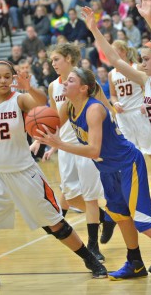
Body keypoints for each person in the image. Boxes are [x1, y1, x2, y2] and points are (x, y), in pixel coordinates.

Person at [34, 64, 151, 294]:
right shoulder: (68, 106)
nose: (65, 83)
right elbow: (50, 125)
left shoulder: (94, 109)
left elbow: (93, 150)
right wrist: (38, 138)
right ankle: (135, 263)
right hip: (107, 169)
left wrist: (59, 145)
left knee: (144, 223)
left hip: (126, 165)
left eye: (70, 80)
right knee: (121, 217)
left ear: (83, 88)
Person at [81, 0, 151, 291]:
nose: (142, 62)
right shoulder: (147, 83)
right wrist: (94, 30)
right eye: (142, 59)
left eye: (147, 58)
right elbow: (115, 60)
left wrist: (150, 20)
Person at [0, 60, 107, 282]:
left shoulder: (18, 99)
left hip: (23, 171)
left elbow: (40, 104)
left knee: (54, 221)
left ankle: (89, 258)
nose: (3, 81)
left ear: (12, 78)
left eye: (7, 76)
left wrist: (29, 88)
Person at [31, 43, 116, 257]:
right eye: (52, 61)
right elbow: (53, 119)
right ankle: (107, 218)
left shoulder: (86, 81)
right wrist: (42, 141)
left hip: (85, 144)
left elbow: (105, 108)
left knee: (89, 197)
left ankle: (93, 247)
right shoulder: (53, 86)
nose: (53, 64)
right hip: (65, 147)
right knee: (70, 196)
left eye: (56, 59)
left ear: (69, 58)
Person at [108, 40, 151, 165]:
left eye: (114, 51)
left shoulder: (137, 67)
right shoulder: (111, 74)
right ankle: (136, 180)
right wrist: (115, 103)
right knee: (130, 150)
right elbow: (113, 95)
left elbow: (150, 87)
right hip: (123, 116)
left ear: (123, 51)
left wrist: (146, 102)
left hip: (139, 112)